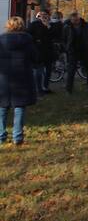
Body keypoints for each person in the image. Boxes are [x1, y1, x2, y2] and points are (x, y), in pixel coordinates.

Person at [0, 16, 38, 146]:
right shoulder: (27, 40)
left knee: (2, 107)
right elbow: (34, 57)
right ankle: (17, 136)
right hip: (22, 76)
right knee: (19, 106)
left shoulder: (1, 39)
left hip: (3, 77)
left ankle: (1, 135)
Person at [63, 11, 88, 93]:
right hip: (73, 51)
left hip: (85, 50)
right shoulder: (67, 27)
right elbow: (63, 39)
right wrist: (67, 48)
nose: (75, 22)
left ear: (79, 19)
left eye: (77, 20)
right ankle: (69, 89)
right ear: (71, 19)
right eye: (73, 20)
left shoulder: (87, 26)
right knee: (71, 70)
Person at [27, 10, 54, 94]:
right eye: (41, 15)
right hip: (38, 51)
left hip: (48, 51)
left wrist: (48, 27)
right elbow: (29, 35)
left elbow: (54, 36)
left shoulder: (51, 25)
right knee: (39, 71)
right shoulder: (34, 24)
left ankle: (45, 87)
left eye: (45, 15)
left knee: (48, 70)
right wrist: (36, 41)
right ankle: (38, 88)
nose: (43, 17)